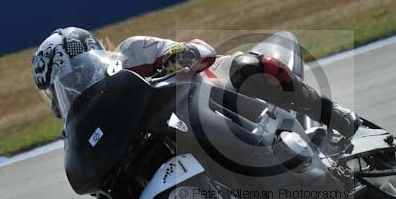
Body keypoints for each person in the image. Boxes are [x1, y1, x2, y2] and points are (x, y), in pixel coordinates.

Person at [32, 27, 359, 137]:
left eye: (69, 77)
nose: (67, 91)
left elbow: (196, 51)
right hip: (184, 136)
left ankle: (330, 113)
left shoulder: (130, 52)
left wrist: (177, 60)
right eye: (57, 90)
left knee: (247, 66)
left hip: (213, 93)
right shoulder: (86, 125)